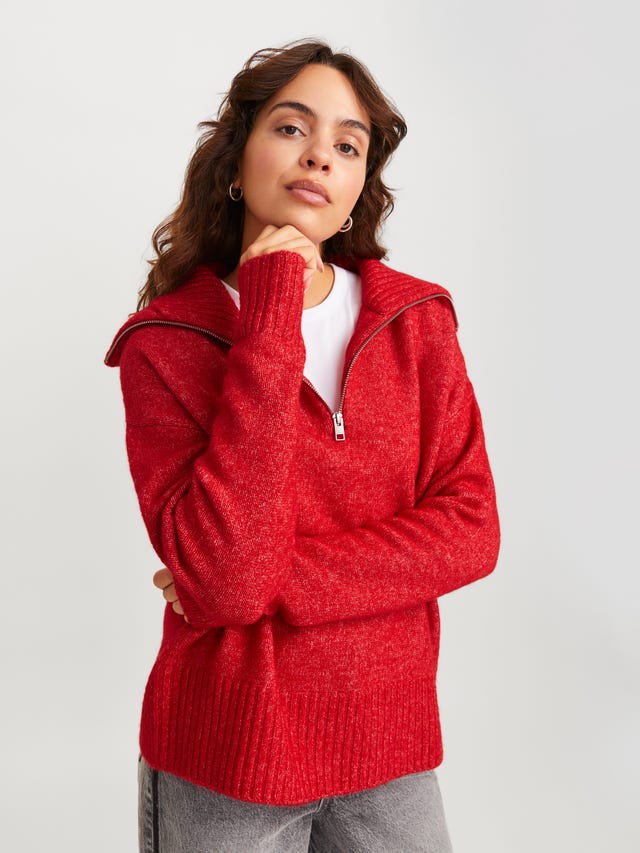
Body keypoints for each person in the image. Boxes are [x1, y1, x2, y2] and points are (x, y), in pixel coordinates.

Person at [105, 39, 500, 853]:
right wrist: (269, 314)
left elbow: (470, 531)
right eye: (292, 128)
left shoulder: (416, 320)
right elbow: (228, 579)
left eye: (348, 145)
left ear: (357, 189)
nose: (320, 153)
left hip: (391, 746)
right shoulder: (164, 342)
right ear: (234, 161)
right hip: (226, 758)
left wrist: (265, 580)